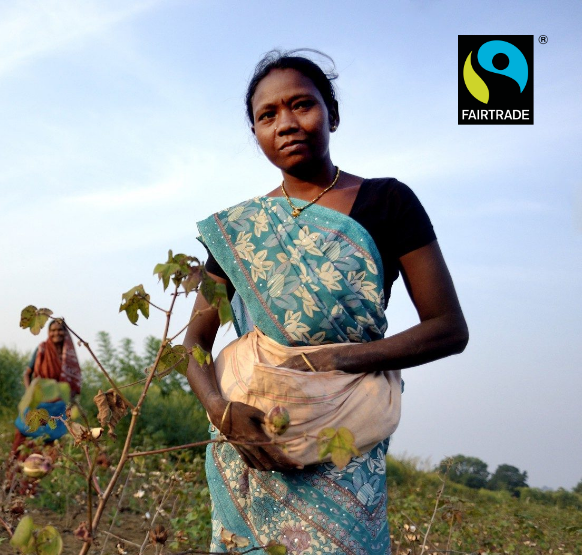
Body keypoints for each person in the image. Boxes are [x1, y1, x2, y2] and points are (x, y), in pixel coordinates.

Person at [184, 50, 468, 553]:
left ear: (331, 114)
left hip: (344, 436)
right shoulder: (239, 231)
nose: (286, 123)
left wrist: (340, 357)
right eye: (267, 116)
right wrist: (219, 410)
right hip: (251, 443)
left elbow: (448, 327)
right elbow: (195, 344)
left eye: (301, 105)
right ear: (255, 134)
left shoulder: (389, 202)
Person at [11, 318, 82, 456]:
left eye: (60, 330)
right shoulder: (42, 348)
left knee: (52, 443)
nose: (57, 333)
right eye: (53, 330)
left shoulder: (69, 355)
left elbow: (73, 381)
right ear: (49, 332)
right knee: (24, 436)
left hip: (57, 406)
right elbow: (27, 373)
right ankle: (15, 470)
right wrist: (29, 393)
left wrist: (69, 400)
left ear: (65, 332)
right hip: (38, 400)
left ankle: (43, 473)